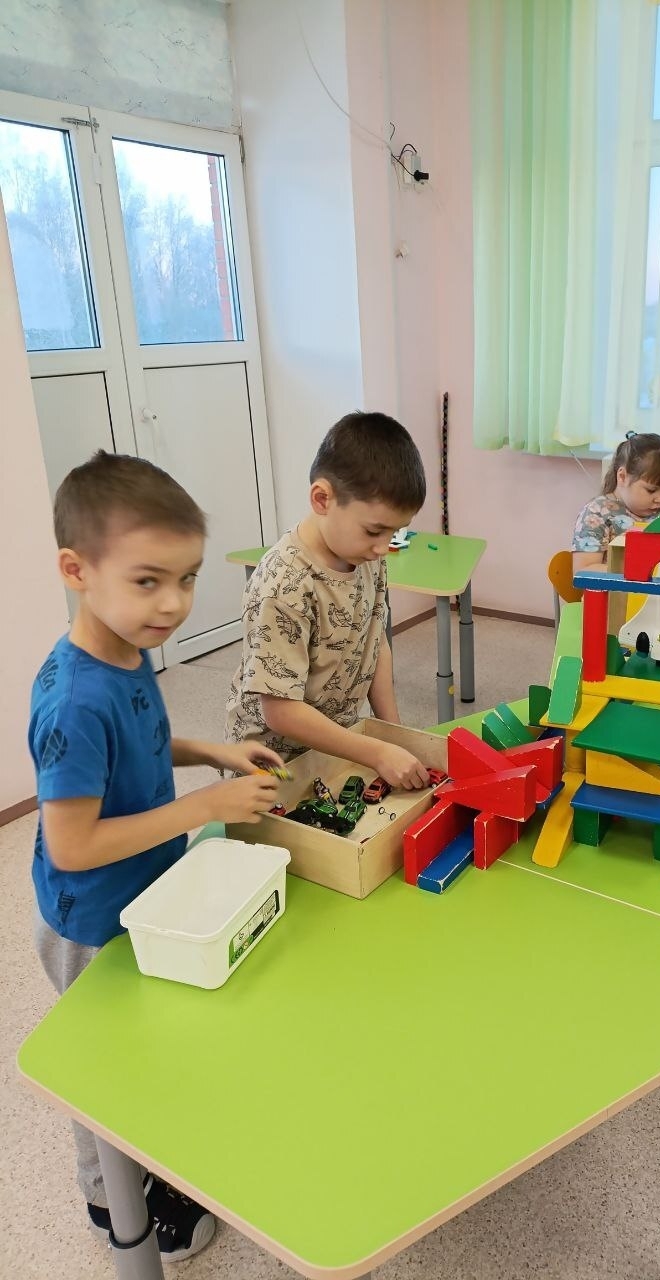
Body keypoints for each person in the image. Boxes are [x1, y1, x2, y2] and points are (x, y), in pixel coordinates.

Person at [30, 451, 282, 1259]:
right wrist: (204, 807)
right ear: (77, 570)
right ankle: (111, 1200)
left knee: (151, 1046)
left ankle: (158, 1161)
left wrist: (210, 751)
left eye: (187, 578)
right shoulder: (75, 699)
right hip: (89, 921)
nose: (173, 603)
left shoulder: (126, 650)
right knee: (103, 1066)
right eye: (148, 580)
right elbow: (72, 846)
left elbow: (137, 746)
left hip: (145, 892)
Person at [225, 412, 431, 788]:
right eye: (374, 530)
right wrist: (376, 752)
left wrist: (393, 734)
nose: (384, 546)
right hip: (272, 766)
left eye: (394, 532)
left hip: (334, 748)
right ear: (322, 499)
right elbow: (280, 712)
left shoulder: (366, 555)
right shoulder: (284, 584)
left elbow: (374, 642)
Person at [571, 432, 660, 572]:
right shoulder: (596, 513)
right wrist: (636, 572)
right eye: (651, 490)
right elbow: (582, 570)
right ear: (622, 476)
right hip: (614, 586)